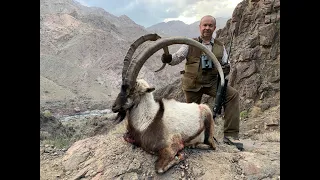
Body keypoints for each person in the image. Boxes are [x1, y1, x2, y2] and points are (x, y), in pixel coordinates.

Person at [161, 15, 243, 151]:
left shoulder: (220, 47)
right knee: (190, 114)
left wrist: (226, 68)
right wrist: (168, 58)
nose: (207, 28)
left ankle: (231, 135)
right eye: (204, 25)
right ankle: (187, 138)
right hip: (192, 84)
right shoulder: (190, 44)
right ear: (200, 27)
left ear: (214, 28)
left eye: (210, 25)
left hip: (211, 83)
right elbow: (177, 58)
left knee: (232, 95)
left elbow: (226, 64)